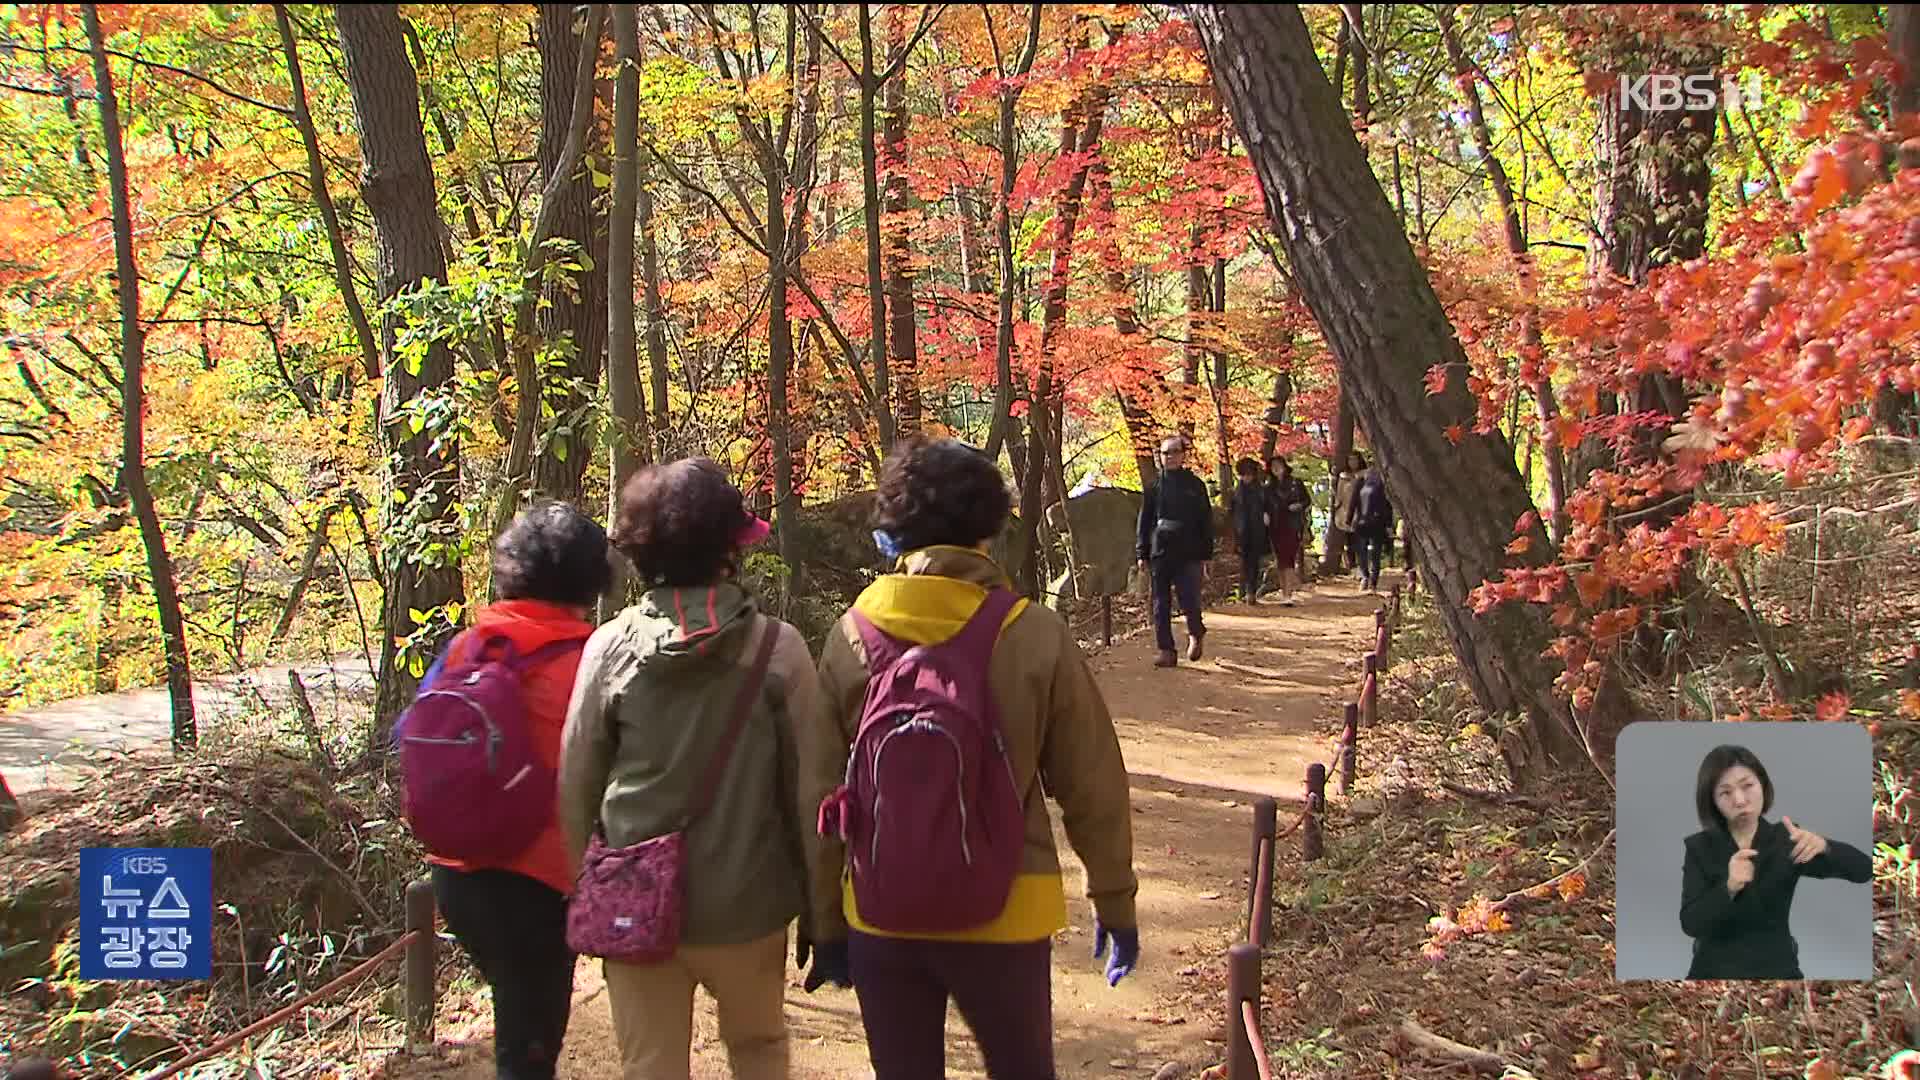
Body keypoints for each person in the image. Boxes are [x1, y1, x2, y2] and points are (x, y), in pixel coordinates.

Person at [815, 437, 1139, 1080]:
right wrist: (1115, 900)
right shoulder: (1033, 631)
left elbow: (821, 792)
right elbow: (1091, 782)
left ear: (893, 531)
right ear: (991, 526)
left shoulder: (851, 634)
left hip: (883, 905)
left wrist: (827, 921)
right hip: (1008, 905)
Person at [557, 459, 845, 1080]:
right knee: (760, 1054)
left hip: (635, 907)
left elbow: (576, 783)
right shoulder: (779, 649)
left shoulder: (607, 650)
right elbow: (814, 795)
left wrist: (589, 894)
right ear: (730, 549)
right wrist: (827, 918)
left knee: (651, 1068)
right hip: (749, 908)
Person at [420, 502, 610, 1080]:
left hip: (454, 872)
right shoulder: (589, 659)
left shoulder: (466, 648)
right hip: (535, 883)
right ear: (591, 579)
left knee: (518, 1022)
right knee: (528, 1053)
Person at [1679, 745, 1873, 980]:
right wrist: (1728, 887)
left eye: (1747, 786)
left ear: (1763, 785)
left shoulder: (1786, 839)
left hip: (1778, 969)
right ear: (1712, 801)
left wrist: (1825, 846)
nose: (1739, 800)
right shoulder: (1700, 847)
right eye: (1725, 792)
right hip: (1712, 972)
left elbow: (1864, 870)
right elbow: (1690, 924)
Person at [1136, 435, 1214, 668]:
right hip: (1160, 550)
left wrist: (1206, 555)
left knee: (1189, 598)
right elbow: (1144, 520)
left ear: (1182, 455)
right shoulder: (1154, 487)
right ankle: (1166, 650)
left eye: (1173, 452)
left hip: (1188, 550)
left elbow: (1205, 522)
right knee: (1160, 602)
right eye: (1164, 453)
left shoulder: (1195, 486)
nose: (1168, 457)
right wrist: (1142, 553)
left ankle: (1196, 632)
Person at [1264, 456, 1310, 606]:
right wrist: (1265, 515)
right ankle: (1284, 590)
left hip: (1293, 524)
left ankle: (1288, 593)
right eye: (1273, 466)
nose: (1276, 468)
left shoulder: (1296, 483)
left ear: (1285, 466)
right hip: (1276, 525)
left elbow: (1307, 500)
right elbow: (1264, 505)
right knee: (1280, 559)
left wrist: (1299, 506)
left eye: (1279, 465)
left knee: (1289, 557)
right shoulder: (1269, 487)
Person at [1228, 457, 1267, 605]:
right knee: (1244, 562)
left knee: (1254, 561)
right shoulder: (1237, 492)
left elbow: (1267, 507)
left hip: (1257, 529)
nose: (1247, 477)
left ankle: (1251, 592)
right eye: (1244, 474)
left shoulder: (1261, 490)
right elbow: (1231, 512)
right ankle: (1244, 592)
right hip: (1241, 531)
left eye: (1249, 474)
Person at [1351, 465, 1394, 593]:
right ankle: (1365, 576)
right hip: (1361, 522)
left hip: (1377, 523)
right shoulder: (1360, 484)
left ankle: (1373, 582)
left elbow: (1388, 506)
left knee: (1376, 553)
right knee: (1361, 551)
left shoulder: (1383, 486)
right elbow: (1354, 502)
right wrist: (1349, 519)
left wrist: (1389, 524)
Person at [1330, 451, 1366, 575]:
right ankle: (1353, 567)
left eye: (1355, 459)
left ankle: (1364, 568)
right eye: (1350, 460)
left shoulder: (1365, 475)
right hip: (1346, 513)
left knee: (1361, 541)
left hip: (1362, 512)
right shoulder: (1343, 476)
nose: (1353, 462)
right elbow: (1339, 496)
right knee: (1350, 542)